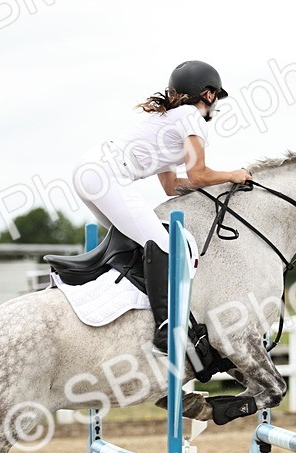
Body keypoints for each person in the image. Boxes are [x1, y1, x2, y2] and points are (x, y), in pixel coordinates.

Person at [72, 60, 252, 354]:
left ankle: (108, 308)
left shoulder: (172, 119)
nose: (215, 104)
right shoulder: (191, 117)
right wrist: (233, 175)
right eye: (215, 97)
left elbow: (172, 187)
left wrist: (218, 183)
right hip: (108, 175)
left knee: (134, 243)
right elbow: (199, 175)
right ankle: (164, 332)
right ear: (207, 94)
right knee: (165, 246)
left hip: (89, 171)